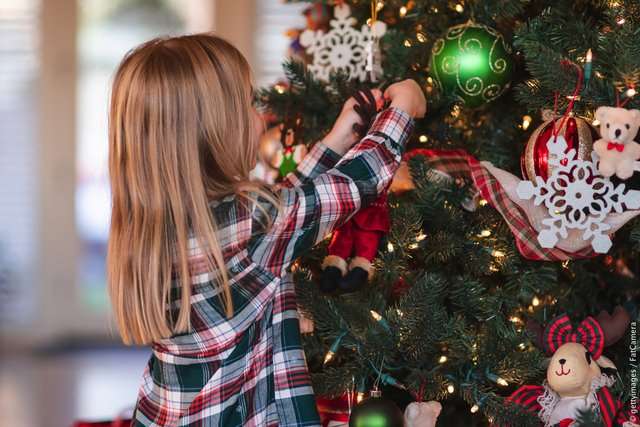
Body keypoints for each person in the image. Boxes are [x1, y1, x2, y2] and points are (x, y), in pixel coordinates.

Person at [106, 33, 425, 426]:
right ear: (215, 128)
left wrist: (338, 138)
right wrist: (404, 111)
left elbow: (283, 215)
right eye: (246, 102)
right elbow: (352, 185)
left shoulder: (153, 223)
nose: (258, 114)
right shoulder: (251, 222)